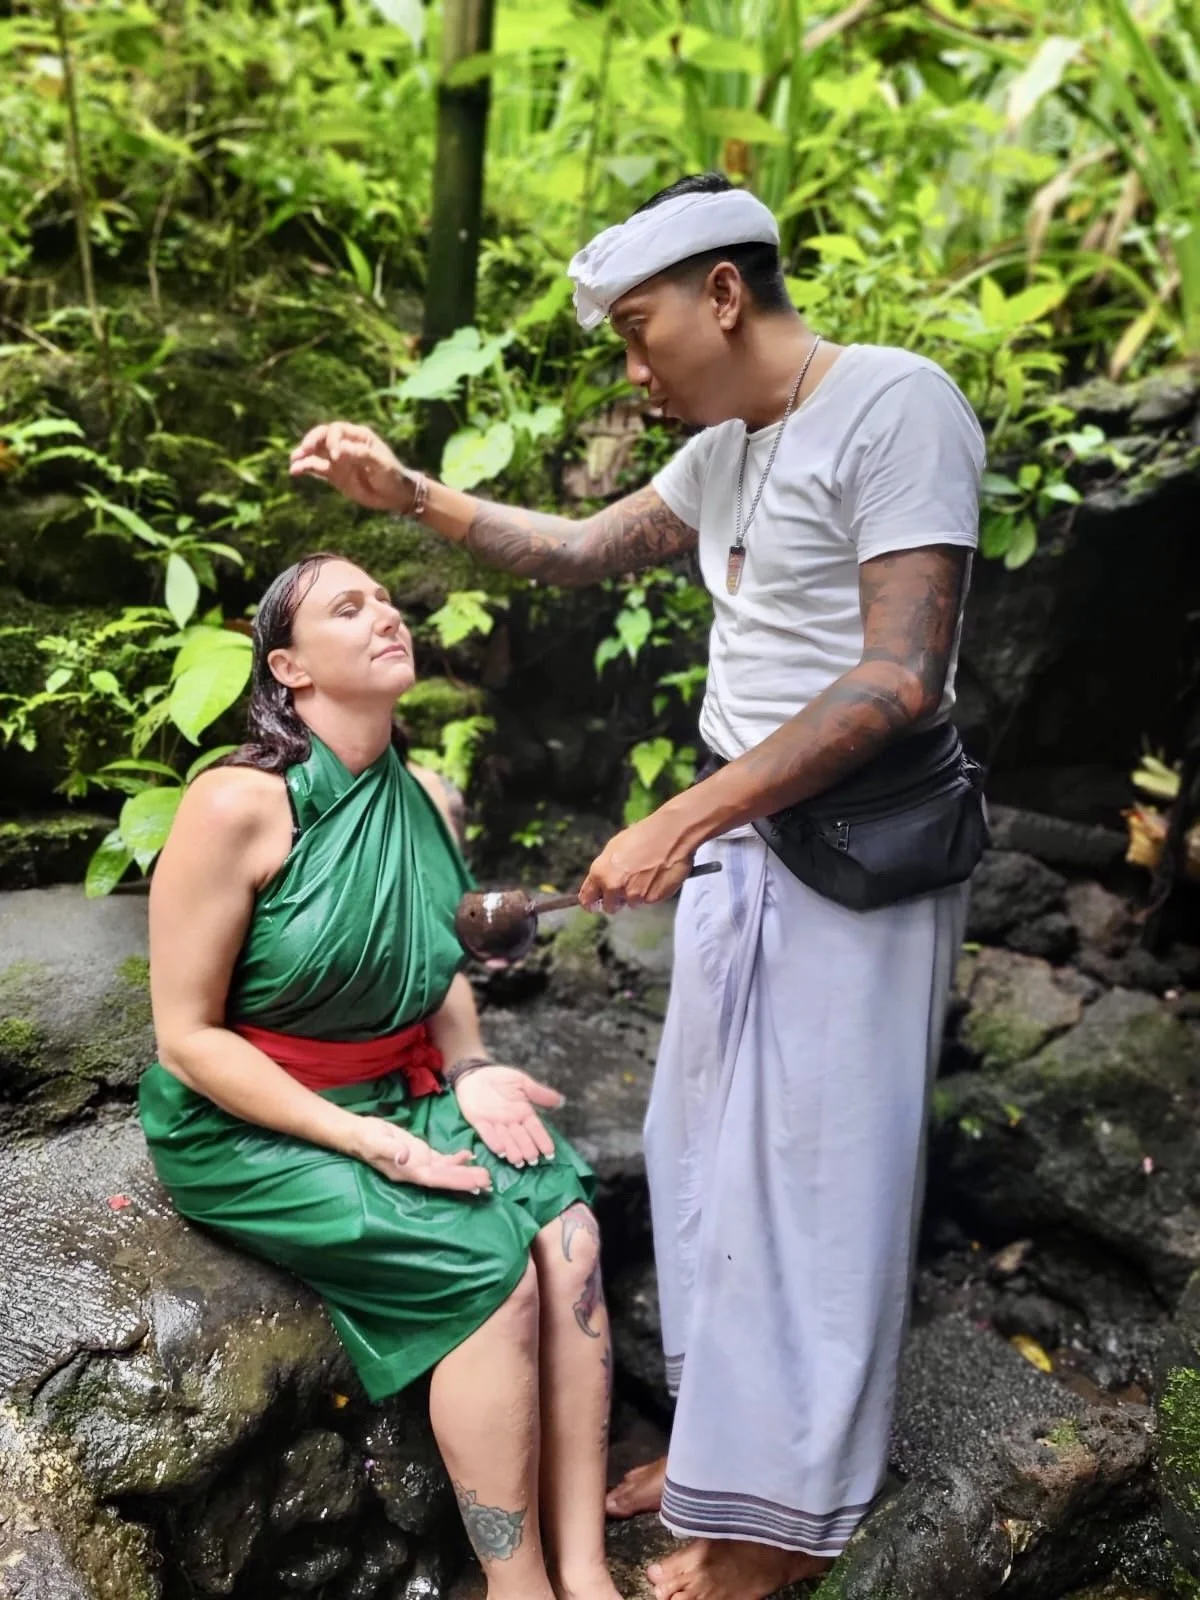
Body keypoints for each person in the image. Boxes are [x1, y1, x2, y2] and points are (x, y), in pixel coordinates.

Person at [289, 171, 986, 1600]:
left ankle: (780, 1535)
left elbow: (902, 677)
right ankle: (740, 1446)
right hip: (745, 844)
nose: (632, 363)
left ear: (724, 293)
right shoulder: (728, 445)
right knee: (703, 1155)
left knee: (821, 1185)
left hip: (855, 854)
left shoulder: (898, 407)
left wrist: (688, 813)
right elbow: (577, 549)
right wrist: (405, 495)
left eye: (640, 327)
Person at [140, 552, 621, 1600]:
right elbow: (186, 1036)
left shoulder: (428, 796)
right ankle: (519, 1583)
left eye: (387, 599)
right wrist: (376, 1141)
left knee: (569, 1231)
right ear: (290, 667)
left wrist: (474, 1068)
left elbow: (434, 956)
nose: (384, 615)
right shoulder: (238, 807)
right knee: (485, 1272)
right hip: (252, 1117)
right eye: (346, 607)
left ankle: (588, 1568)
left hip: (394, 1082)